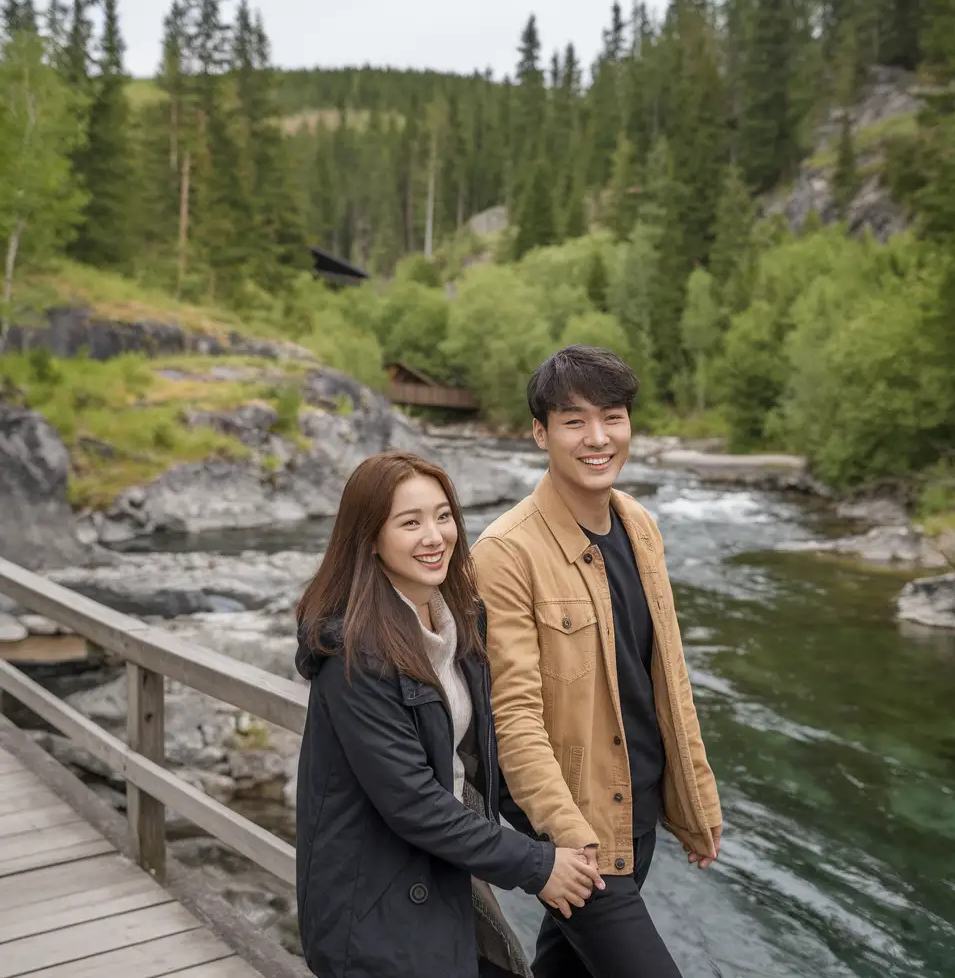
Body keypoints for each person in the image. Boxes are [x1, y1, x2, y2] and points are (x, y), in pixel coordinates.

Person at [293, 450, 603, 978]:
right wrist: (537, 866)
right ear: (370, 537)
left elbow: (480, 757)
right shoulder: (356, 653)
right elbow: (412, 801)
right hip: (375, 904)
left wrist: (563, 828)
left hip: (442, 873)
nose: (435, 536)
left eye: (443, 516)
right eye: (410, 522)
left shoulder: (454, 623)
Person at [471, 346, 723, 978]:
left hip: (635, 808)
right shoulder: (506, 552)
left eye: (612, 417)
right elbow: (514, 716)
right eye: (574, 421)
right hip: (574, 827)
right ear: (540, 433)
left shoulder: (638, 523)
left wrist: (694, 800)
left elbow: (667, 676)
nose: (597, 438)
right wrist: (568, 836)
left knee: (568, 968)